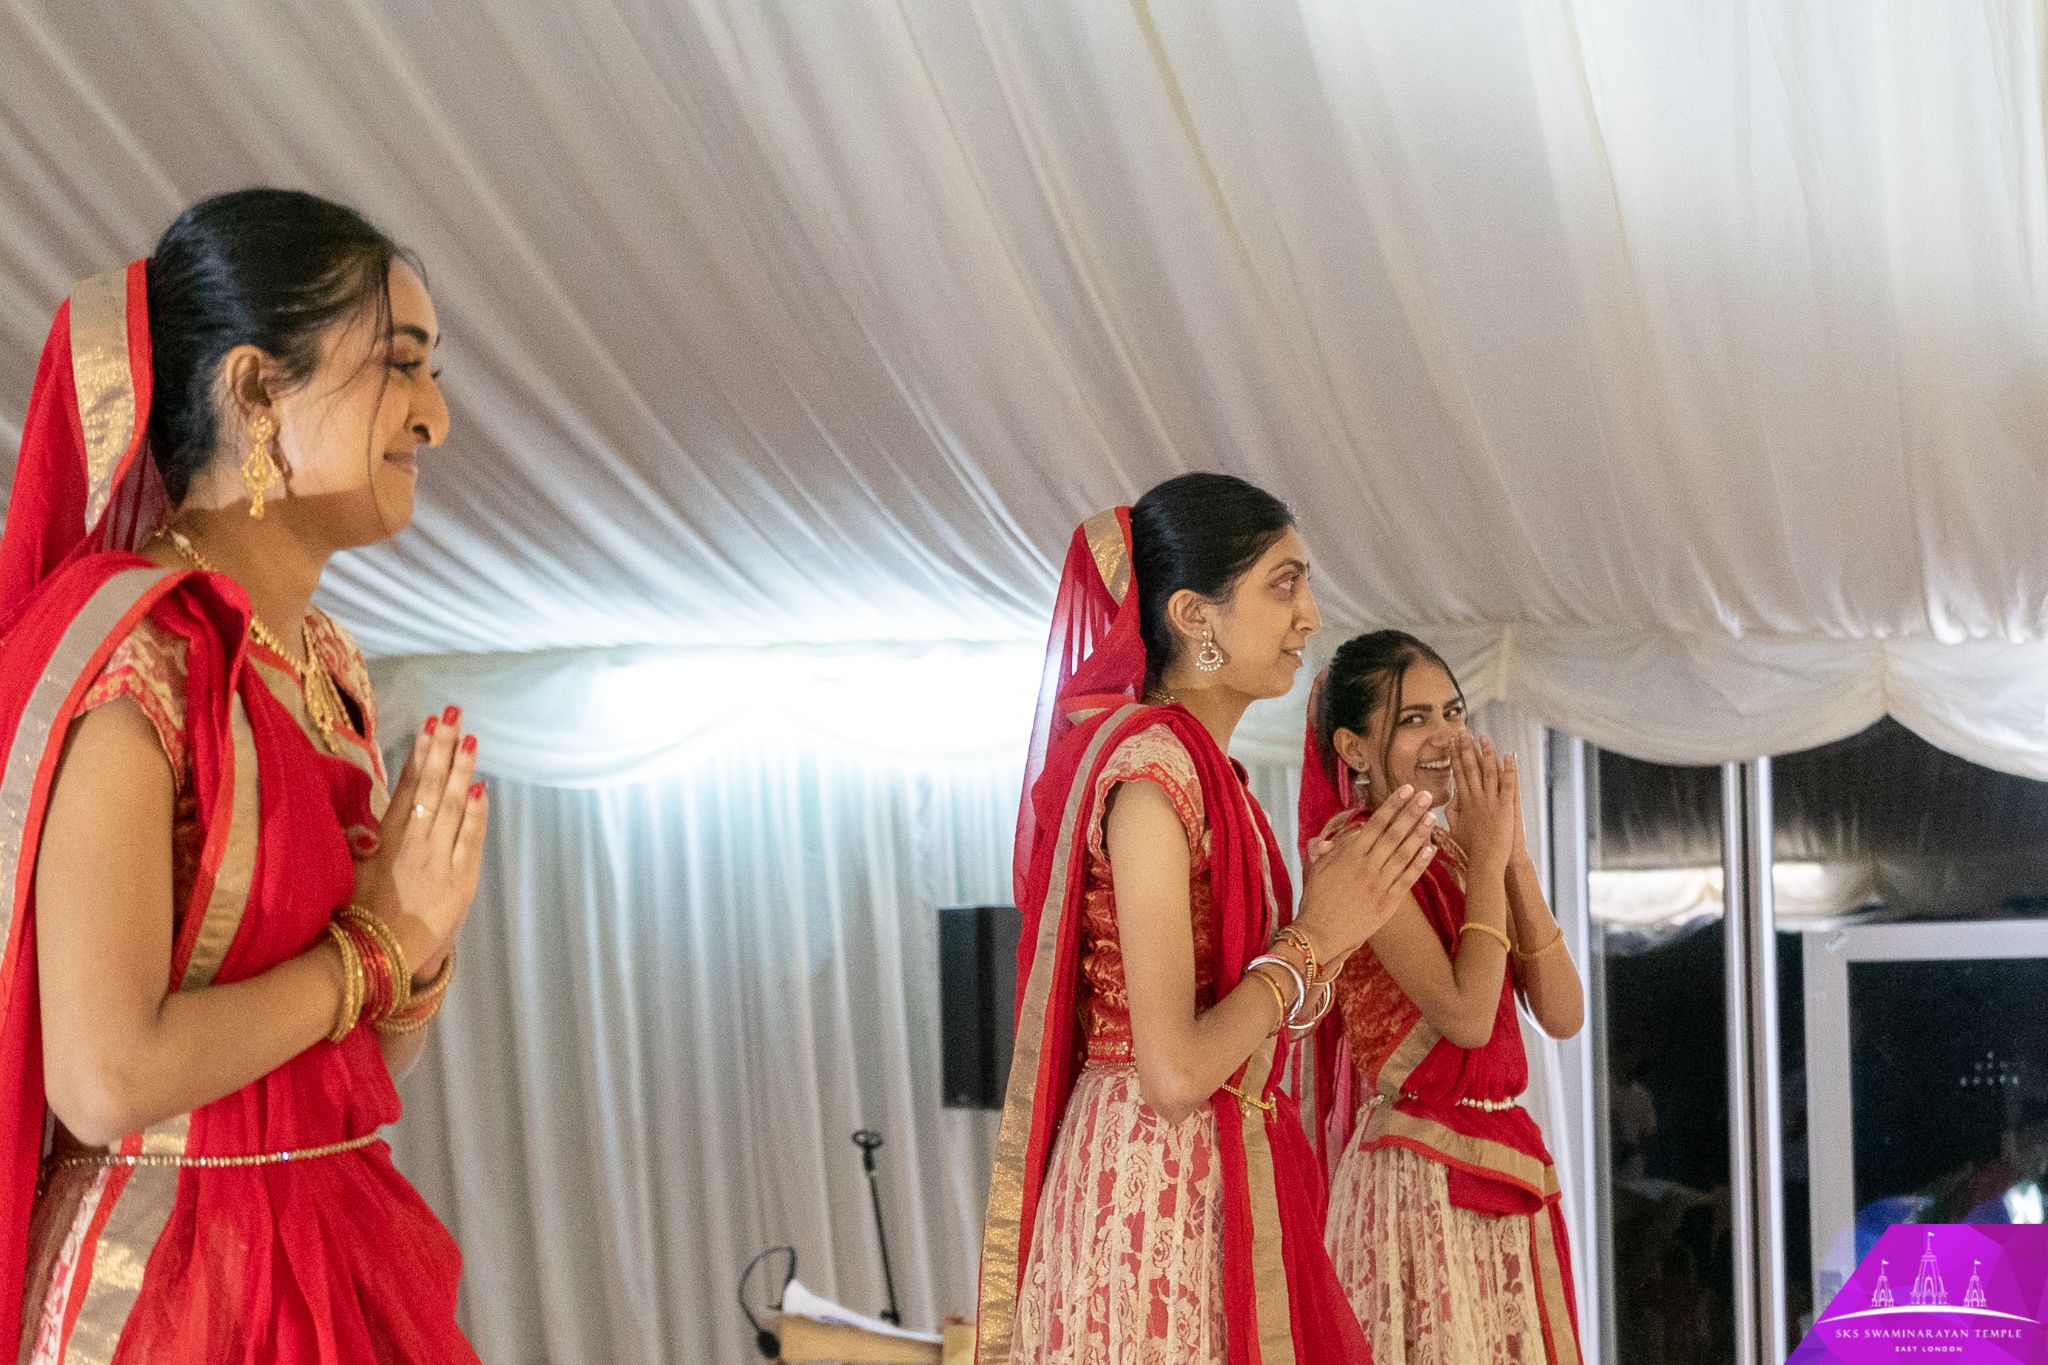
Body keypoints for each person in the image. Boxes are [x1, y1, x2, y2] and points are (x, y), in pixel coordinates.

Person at [0, 188, 486, 1362]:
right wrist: (372, 948)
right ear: (258, 389)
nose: (436, 418)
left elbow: (350, 1059)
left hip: (329, 1238)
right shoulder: (137, 659)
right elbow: (107, 1078)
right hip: (166, 1286)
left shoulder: (324, 666)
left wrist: (412, 950)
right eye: (400, 366)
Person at [979, 473, 1439, 1364]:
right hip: (1149, 1196)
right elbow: (1177, 1070)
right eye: (1284, 583)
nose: (1309, 615)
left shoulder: (1221, 783)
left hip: (1212, 1181)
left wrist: (1329, 937)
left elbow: (1260, 1021)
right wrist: (1315, 938)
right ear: (1196, 615)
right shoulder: (1153, 778)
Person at [1301, 631, 1584, 1365]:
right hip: (1416, 1177)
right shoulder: (1357, 854)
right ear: (1354, 748)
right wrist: (1487, 859)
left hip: (1502, 1161)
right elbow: (1463, 1016)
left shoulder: (1459, 850)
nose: (1446, 736)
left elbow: (1562, 1013)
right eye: (1414, 719)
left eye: (1452, 711)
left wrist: (1512, 855)